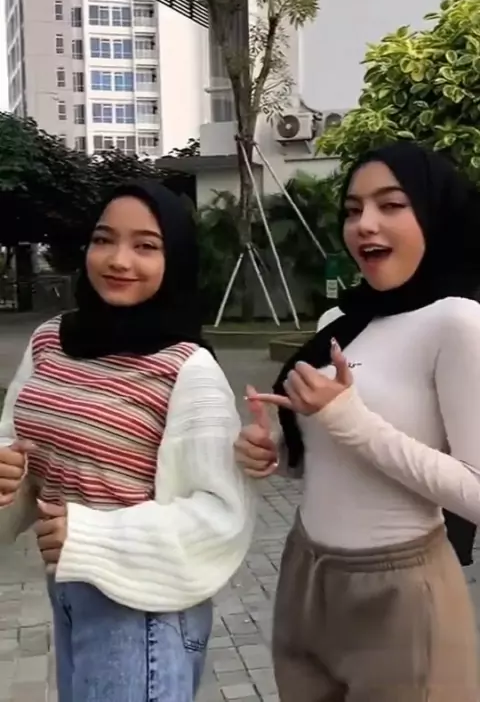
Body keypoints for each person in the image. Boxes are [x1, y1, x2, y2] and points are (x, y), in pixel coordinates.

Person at [235, 141, 480, 701]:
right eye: (353, 209)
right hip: (306, 574)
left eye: (391, 205)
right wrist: (276, 452)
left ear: (434, 215)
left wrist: (352, 421)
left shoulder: (458, 323)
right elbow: (331, 457)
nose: (365, 223)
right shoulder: (340, 319)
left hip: (401, 593)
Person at [0, 180, 255, 702]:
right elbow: (17, 445)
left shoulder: (187, 368)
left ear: (174, 260)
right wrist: (8, 477)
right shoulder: (51, 341)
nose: (118, 260)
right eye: (103, 240)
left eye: (145, 246)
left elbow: (222, 515)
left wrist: (90, 537)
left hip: (142, 614)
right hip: (67, 591)